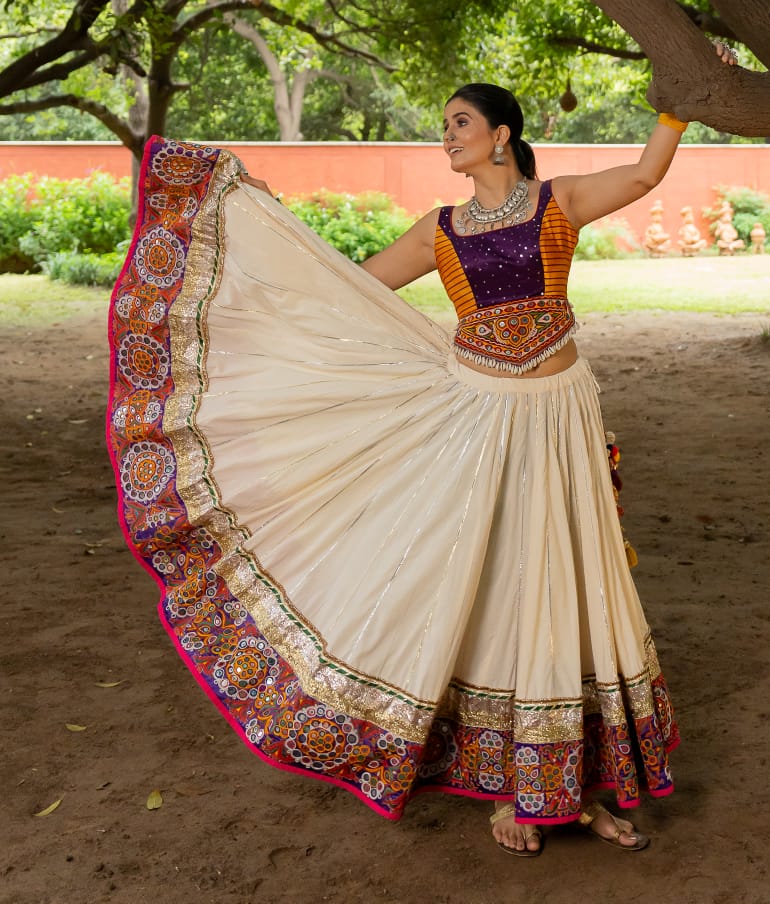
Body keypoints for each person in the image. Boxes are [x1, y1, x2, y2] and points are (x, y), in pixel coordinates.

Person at [107, 72, 729, 861]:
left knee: (572, 578)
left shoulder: (557, 202)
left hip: (562, 412)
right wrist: (269, 221)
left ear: (501, 134)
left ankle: (579, 783)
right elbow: (346, 289)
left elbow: (642, 175)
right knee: (503, 580)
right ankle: (513, 786)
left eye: (461, 122)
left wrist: (676, 108)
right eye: (444, 125)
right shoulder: (439, 230)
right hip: (481, 417)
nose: (448, 135)